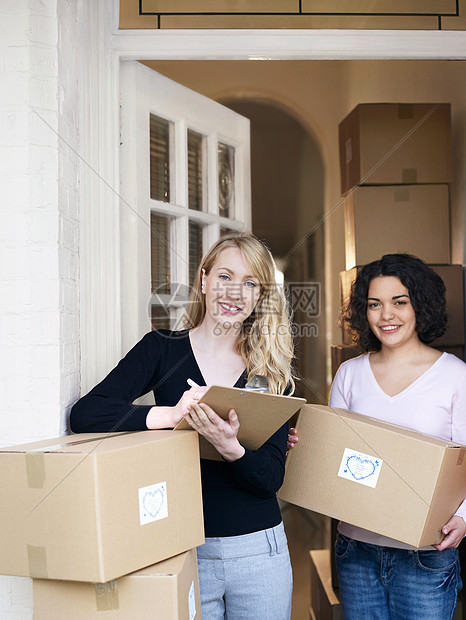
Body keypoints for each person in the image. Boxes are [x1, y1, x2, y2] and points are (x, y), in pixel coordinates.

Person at [70, 231, 295, 619]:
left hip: (259, 551)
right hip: (183, 547)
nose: (234, 292)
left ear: (259, 297)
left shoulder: (268, 371)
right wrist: (170, 416)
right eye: (224, 277)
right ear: (204, 280)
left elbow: (269, 479)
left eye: (250, 283)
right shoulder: (161, 349)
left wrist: (230, 447)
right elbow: (86, 414)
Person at [329, 253, 466, 620]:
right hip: (355, 548)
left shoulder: (454, 376)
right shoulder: (349, 374)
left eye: (399, 302)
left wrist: (465, 517)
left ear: (420, 305)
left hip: (426, 550)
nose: (386, 315)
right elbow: (336, 457)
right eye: (374, 304)